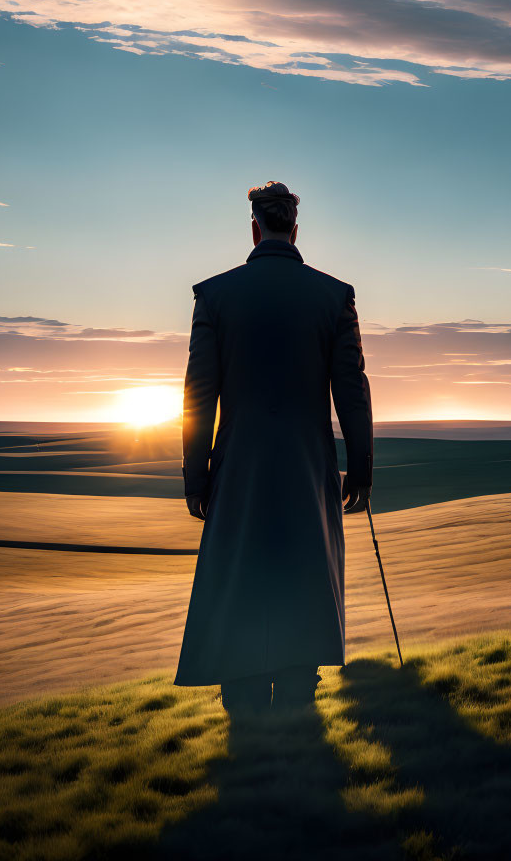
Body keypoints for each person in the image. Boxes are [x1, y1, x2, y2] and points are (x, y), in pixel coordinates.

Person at [172, 181, 374, 721]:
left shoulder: (215, 296)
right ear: (295, 230)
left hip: (238, 467)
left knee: (241, 574)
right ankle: (297, 695)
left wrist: (196, 477)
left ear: (255, 228)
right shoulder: (334, 296)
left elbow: (199, 394)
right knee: (301, 571)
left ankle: (242, 702)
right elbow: (352, 388)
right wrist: (361, 469)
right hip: (309, 467)